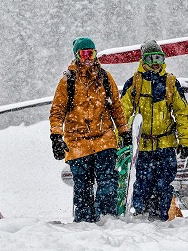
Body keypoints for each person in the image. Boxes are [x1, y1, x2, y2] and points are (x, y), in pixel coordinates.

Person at [49, 37, 132, 223]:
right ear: (76, 56)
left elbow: (116, 107)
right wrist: (56, 136)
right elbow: (57, 111)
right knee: (83, 189)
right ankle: (85, 226)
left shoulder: (105, 77)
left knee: (108, 185)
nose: (88, 58)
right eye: (83, 54)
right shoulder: (67, 81)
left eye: (91, 53)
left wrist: (124, 130)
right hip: (77, 143)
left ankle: (108, 222)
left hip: (104, 140)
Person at [120, 39, 188, 221]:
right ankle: (141, 216)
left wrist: (184, 142)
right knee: (143, 183)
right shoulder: (133, 84)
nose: (155, 63)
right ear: (143, 61)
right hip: (144, 147)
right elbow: (122, 113)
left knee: (163, 185)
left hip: (166, 145)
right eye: (150, 59)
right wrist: (122, 137)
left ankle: (159, 219)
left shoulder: (170, 83)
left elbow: (182, 113)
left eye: (159, 58)